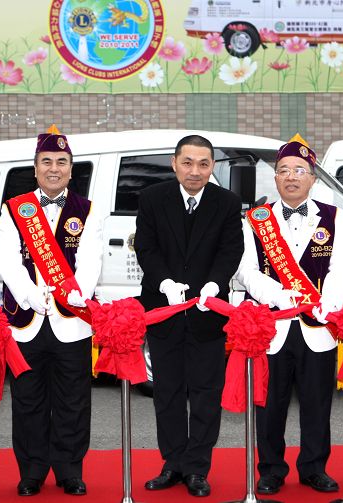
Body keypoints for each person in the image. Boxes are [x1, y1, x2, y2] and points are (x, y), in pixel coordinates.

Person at [235, 134, 343, 495]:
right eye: (283, 170)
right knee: (270, 405)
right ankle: (271, 470)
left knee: (317, 403)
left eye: (299, 170)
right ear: (275, 178)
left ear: (313, 178)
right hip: (272, 328)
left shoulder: (334, 217)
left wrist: (327, 304)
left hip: (318, 326)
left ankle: (314, 468)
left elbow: (341, 269)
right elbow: (246, 271)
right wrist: (281, 296)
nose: (291, 177)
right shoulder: (256, 219)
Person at [0, 125, 103, 497]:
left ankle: (70, 470)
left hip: (71, 321)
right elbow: (7, 259)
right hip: (26, 321)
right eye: (46, 161)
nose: (54, 168)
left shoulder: (87, 210)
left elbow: (91, 261)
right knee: (28, 400)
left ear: (71, 169)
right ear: (35, 167)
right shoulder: (14, 208)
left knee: (74, 400)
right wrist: (29, 295)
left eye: (61, 162)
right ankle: (32, 472)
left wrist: (74, 295)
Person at [135, 134, 244, 498]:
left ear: (212, 166)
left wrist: (214, 284)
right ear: (174, 163)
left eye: (203, 164)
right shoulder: (153, 198)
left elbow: (231, 250)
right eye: (187, 162)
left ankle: (197, 467)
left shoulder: (226, 203)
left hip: (207, 313)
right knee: (166, 392)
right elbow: (146, 248)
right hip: (163, 311)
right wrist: (165, 282)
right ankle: (172, 463)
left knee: (205, 394)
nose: (194, 171)